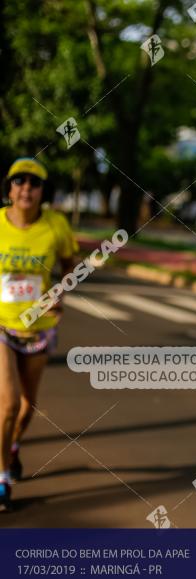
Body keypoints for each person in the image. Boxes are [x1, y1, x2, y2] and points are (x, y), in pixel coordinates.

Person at [0, 158, 77, 511]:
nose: (26, 188)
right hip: (2, 323)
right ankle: (1, 476)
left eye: (33, 182)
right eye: (19, 182)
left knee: (28, 408)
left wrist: (58, 294)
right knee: (8, 404)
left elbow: (68, 266)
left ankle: (12, 446)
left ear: (44, 191)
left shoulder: (56, 226)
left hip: (39, 330)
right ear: (9, 188)